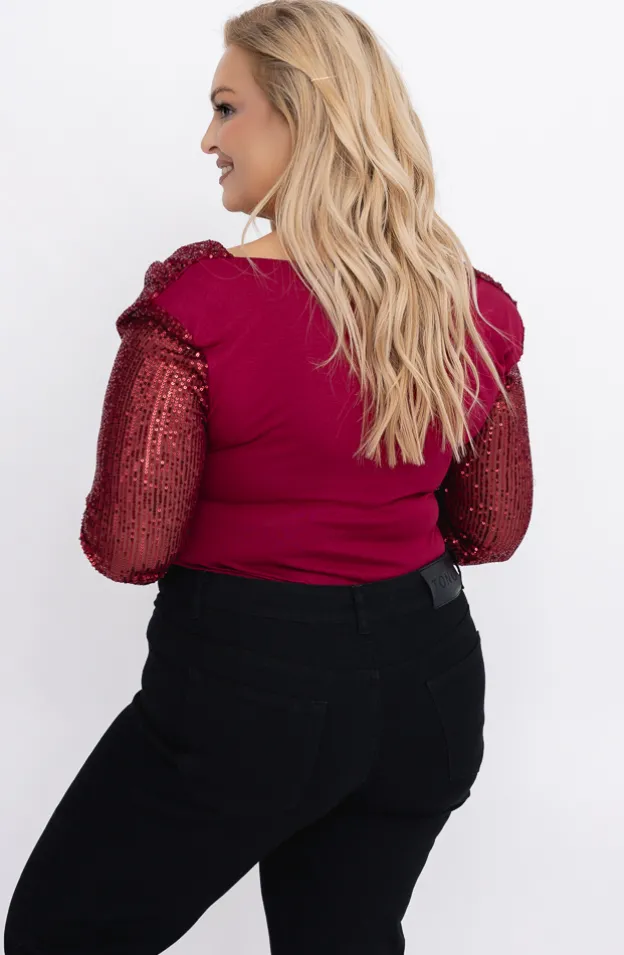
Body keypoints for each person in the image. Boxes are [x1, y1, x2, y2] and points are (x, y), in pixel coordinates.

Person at [3, 2, 533, 953]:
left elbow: (129, 545)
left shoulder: (199, 305)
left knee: (58, 933)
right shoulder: (470, 308)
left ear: (301, 115)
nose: (208, 140)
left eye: (226, 108)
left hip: (247, 692)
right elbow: (490, 530)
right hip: (430, 686)